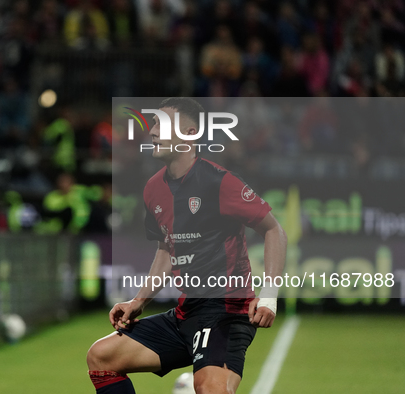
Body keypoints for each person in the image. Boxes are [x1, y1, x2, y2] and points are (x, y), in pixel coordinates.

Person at [86, 97, 287, 394]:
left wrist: (269, 294)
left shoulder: (219, 182)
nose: (152, 131)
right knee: (101, 357)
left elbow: (274, 230)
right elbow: (167, 250)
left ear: (191, 133)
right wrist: (138, 301)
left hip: (226, 312)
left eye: (161, 124)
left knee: (209, 388)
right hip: (185, 313)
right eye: (153, 123)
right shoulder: (153, 188)